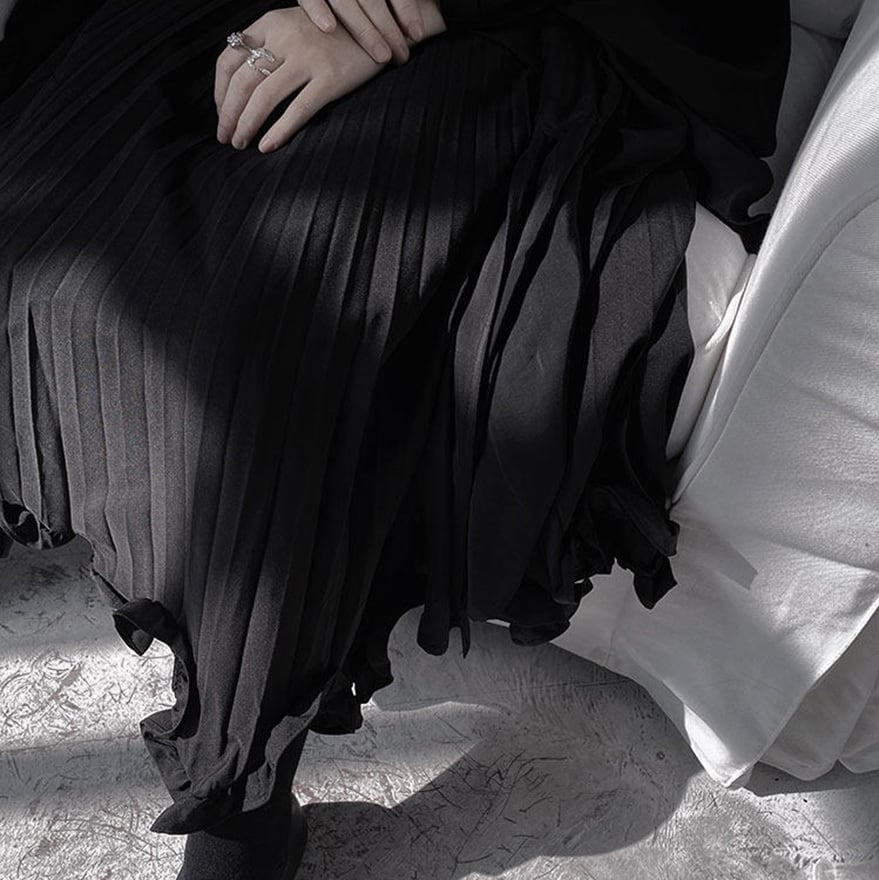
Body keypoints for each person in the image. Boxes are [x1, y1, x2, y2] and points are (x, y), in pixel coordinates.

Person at [0, 0, 789, 877]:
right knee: (53, 209)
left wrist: (399, 12)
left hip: (528, 29)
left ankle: (241, 800)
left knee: (264, 341)